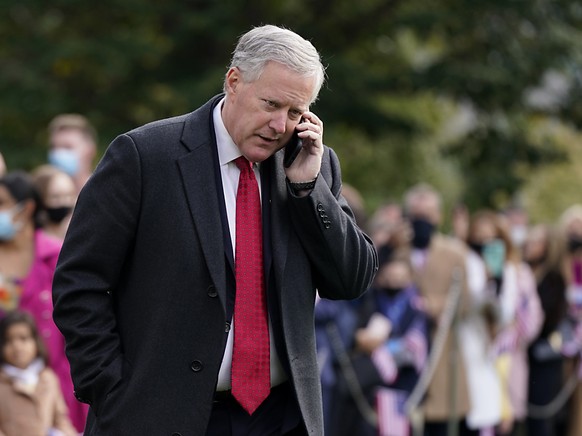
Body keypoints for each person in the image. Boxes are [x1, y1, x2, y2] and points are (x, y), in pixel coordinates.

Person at [52, 24, 378, 436]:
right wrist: (112, 392)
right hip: (156, 418)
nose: (281, 125)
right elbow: (79, 283)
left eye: (295, 113)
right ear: (234, 81)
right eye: (271, 104)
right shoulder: (145, 156)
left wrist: (308, 191)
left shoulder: (312, 165)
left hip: (280, 419)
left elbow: (351, 281)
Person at [0, 171, 87, 432]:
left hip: (62, 387)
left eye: (1, 203)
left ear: (26, 208)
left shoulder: (57, 255)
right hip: (8, 395)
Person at [399, 183, 473, 436]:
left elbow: (465, 303)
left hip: (442, 356)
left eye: (428, 216)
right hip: (404, 360)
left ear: (438, 217)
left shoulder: (456, 253)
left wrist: (432, 305)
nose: (422, 222)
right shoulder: (398, 251)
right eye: (417, 216)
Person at [466, 210, 543, 436]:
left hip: (507, 361)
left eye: (491, 238)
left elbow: (531, 319)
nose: (485, 244)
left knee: (504, 423)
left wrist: (510, 335)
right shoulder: (468, 270)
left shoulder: (519, 273)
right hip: (474, 356)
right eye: (479, 238)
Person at [0, 310, 77, 436]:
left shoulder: (48, 379)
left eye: (23, 338)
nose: (17, 346)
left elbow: (60, 420)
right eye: (8, 340)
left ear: (35, 342)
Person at [523, 224, 569, 436]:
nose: (529, 244)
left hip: (542, 358)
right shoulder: (521, 272)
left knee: (540, 422)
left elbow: (549, 319)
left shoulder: (553, 279)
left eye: (537, 241)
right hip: (521, 357)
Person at [47, 113, 98, 192]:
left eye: (67, 147)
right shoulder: (40, 196)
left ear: (90, 151)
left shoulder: (104, 193)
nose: (58, 153)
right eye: (54, 147)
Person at [32, 165, 77, 240]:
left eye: (69, 195)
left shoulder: (78, 231)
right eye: (56, 197)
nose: (64, 202)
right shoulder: (35, 239)